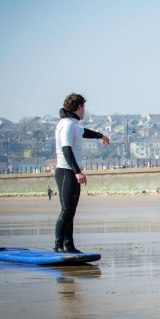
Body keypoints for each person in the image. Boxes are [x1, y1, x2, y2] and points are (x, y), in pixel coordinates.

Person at [54, 93, 109, 253]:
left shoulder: (72, 124)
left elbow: (83, 132)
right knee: (66, 210)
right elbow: (66, 148)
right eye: (84, 107)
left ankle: (69, 246)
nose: (85, 110)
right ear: (79, 107)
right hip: (66, 170)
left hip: (70, 171)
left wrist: (101, 136)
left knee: (70, 210)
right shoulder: (67, 124)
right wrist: (77, 172)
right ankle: (58, 246)